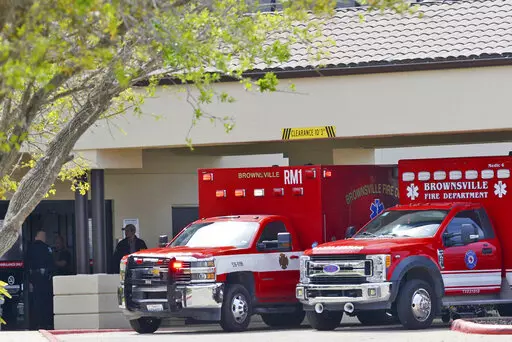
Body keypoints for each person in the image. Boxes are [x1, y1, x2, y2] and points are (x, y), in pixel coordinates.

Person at [26, 230, 55, 330]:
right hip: (45, 278)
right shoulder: (47, 248)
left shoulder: (30, 248)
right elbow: (52, 263)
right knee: (46, 301)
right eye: (44, 236)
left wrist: (29, 280)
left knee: (36, 300)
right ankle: (45, 323)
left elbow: (27, 264)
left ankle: (37, 323)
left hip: (34, 278)